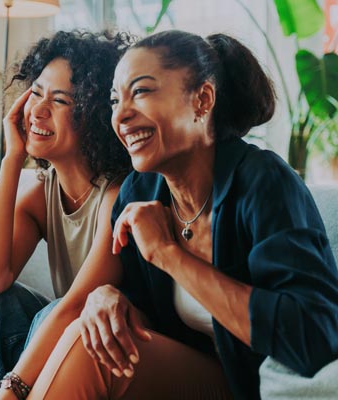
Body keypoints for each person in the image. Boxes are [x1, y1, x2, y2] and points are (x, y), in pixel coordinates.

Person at [23, 30, 338, 399]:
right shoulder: (140, 192)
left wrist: (169, 255)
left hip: (249, 385)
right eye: (114, 100)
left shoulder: (263, 183)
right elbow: (136, 310)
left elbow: (316, 335)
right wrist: (106, 300)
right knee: (91, 339)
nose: (121, 115)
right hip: (191, 374)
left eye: (140, 92)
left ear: (202, 100)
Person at [0, 31, 134, 400]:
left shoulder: (119, 193)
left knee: (58, 309)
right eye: (36, 93)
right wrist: (11, 159)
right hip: (67, 330)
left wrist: (10, 390)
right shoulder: (40, 191)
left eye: (59, 101)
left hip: (111, 343)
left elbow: (76, 304)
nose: (38, 110)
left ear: (94, 113)